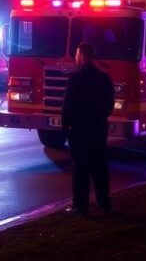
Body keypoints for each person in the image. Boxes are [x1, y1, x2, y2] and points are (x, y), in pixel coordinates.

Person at [61, 41, 115, 214]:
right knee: (100, 167)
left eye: (76, 54)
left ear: (82, 55)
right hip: (98, 128)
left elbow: (68, 105)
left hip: (79, 130)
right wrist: (100, 118)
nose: (75, 58)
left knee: (80, 169)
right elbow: (109, 104)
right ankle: (104, 202)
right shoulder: (104, 78)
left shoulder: (75, 79)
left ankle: (80, 206)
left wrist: (66, 124)